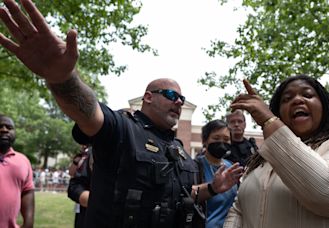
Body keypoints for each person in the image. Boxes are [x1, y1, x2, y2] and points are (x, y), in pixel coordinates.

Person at [0, 1, 243, 227]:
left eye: (182, 98)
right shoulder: (123, 129)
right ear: (148, 97)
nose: (179, 102)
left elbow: (181, 194)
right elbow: (88, 112)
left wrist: (212, 188)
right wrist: (62, 78)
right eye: (171, 95)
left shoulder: (178, 149)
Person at [222, 75, 329, 228]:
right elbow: (239, 212)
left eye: (307, 94)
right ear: (279, 113)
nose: (297, 100)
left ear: (325, 107)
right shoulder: (261, 165)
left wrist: (269, 121)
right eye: (287, 99)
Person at [195, 120, 238, 228]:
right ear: (205, 141)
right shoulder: (194, 166)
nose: (222, 143)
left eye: (226, 139)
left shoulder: (231, 167)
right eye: (216, 138)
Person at [0, 114, 35, 228]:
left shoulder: (23, 161)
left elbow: (27, 191)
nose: (4, 130)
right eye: (0, 126)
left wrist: (28, 223)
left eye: (9, 128)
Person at [68, 144, 93, 228]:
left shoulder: (92, 152)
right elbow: (71, 173)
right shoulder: (81, 156)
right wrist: (76, 161)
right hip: (82, 197)